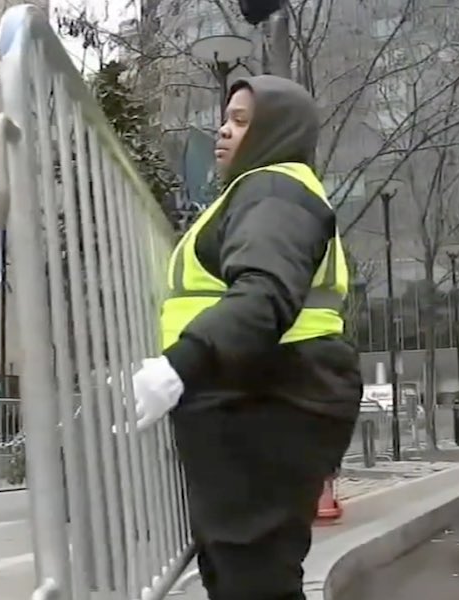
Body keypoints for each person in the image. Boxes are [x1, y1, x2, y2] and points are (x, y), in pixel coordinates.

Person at [130, 76, 363, 599]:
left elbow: (266, 293)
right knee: (242, 572)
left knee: (252, 579)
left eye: (241, 121)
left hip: (268, 400)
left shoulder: (274, 191)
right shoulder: (262, 192)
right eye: (226, 117)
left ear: (276, 131)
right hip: (263, 398)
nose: (223, 130)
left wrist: (180, 364)